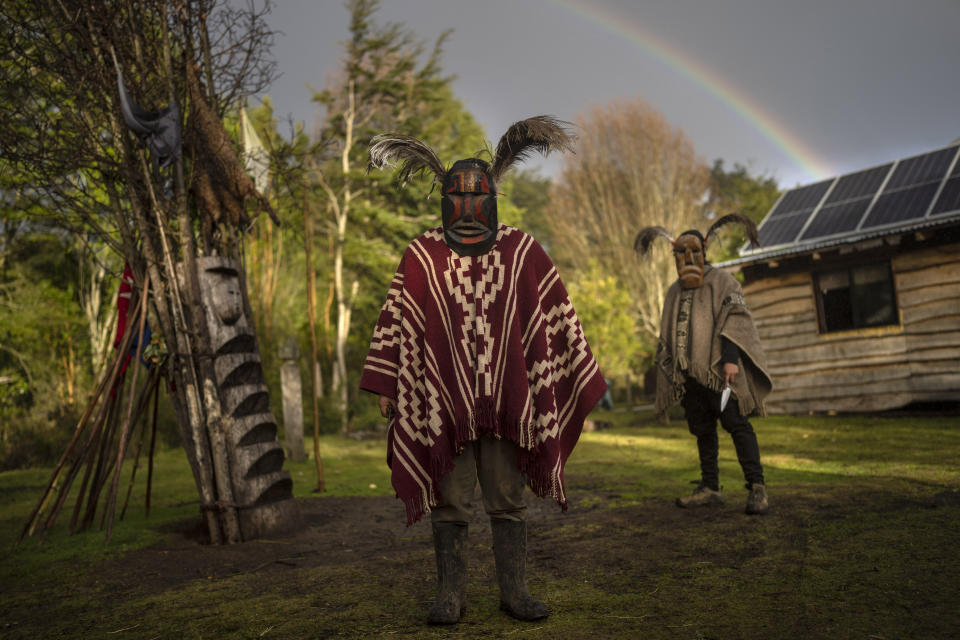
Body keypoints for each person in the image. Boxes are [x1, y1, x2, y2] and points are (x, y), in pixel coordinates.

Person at [360, 116, 607, 625]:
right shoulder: (422, 255)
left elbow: (554, 316)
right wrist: (387, 382)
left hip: (509, 401)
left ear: (494, 198)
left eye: (478, 197)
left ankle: (513, 591)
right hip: (440, 400)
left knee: (507, 496)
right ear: (444, 199)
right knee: (449, 499)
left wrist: (566, 376)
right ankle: (451, 595)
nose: (468, 207)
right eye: (458, 197)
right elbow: (396, 319)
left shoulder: (521, 251)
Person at [634, 216, 773, 515]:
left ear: (704, 249)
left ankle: (757, 487)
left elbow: (734, 321)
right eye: (680, 253)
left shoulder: (723, 282)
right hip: (689, 375)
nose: (687, 258)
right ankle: (710, 487)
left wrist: (730, 360)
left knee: (736, 425)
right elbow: (668, 332)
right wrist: (675, 371)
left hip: (719, 371)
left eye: (693, 251)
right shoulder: (674, 291)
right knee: (702, 431)